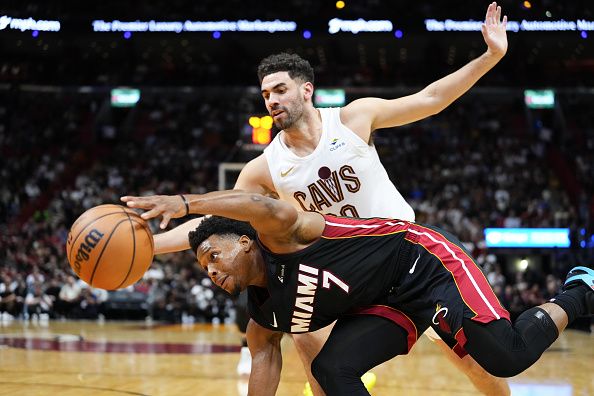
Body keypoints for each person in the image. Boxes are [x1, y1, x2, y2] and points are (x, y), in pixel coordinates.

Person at [135, 2, 511, 394]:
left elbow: (431, 97)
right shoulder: (265, 168)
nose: (272, 100)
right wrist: (149, 246)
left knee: (476, 365)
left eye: (280, 89)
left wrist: (490, 55)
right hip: (346, 271)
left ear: (306, 90)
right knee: (306, 340)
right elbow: (213, 223)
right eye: (266, 94)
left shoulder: (353, 119)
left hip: (404, 257)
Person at [122, 191, 593, 396]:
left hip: (423, 263)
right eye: (203, 267)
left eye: (213, 255)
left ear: (244, 240)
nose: (210, 270)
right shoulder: (262, 313)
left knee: (504, 357)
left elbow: (260, 204)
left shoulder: (284, 232)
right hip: (387, 303)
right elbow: (264, 363)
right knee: (330, 369)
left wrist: (186, 205)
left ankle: (580, 290)